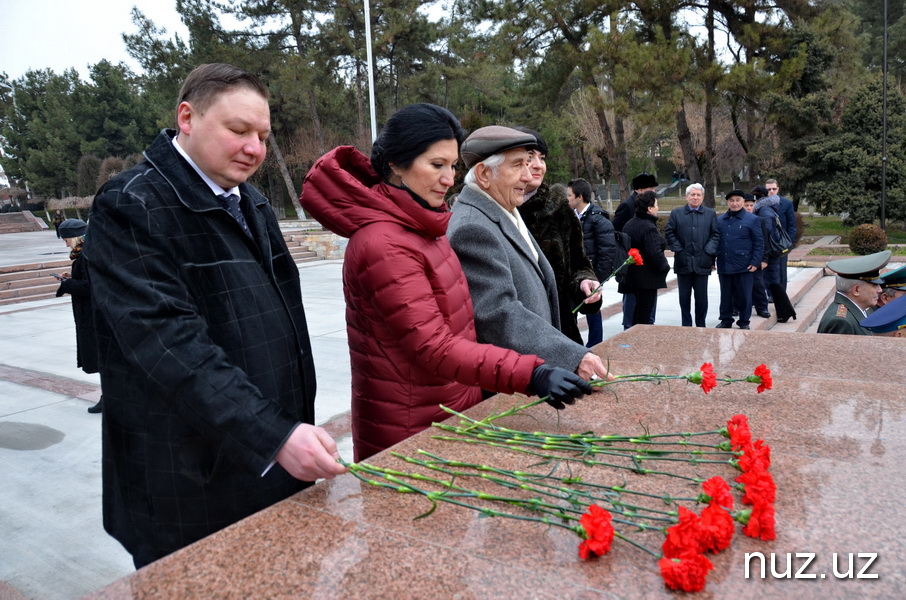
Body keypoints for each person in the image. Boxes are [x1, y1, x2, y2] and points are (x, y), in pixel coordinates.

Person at [84, 63, 347, 569]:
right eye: (238, 130)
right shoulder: (131, 205)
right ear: (187, 117)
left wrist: (281, 432)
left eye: (263, 135)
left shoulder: (252, 202)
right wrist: (272, 434)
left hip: (263, 462)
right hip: (186, 481)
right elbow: (167, 341)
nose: (255, 148)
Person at [299, 104, 593, 461]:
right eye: (436, 165)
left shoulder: (424, 226)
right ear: (396, 164)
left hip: (449, 410)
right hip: (410, 428)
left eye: (452, 166)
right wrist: (532, 372)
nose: (449, 178)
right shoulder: (383, 244)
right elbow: (433, 347)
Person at [448, 126, 613, 382]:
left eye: (532, 162)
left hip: (536, 367)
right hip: (514, 382)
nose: (529, 175)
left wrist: (583, 280)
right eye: (518, 165)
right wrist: (570, 356)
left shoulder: (505, 208)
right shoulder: (473, 227)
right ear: (483, 174)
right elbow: (499, 316)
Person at [513, 127, 600, 345]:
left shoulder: (558, 208)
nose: (537, 165)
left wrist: (585, 281)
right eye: (528, 157)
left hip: (559, 329)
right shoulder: (499, 209)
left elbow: (579, 263)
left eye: (541, 158)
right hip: (513, 333)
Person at [54, 218, 102, 413]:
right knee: (102, 360)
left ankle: (111, 399)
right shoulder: (86, 252)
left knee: (103, 359)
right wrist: (71, 278)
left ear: (75, 237)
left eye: (66, 239)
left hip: (95, 316)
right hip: (91, 315)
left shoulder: (88, 255)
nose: (65, 243)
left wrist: (67, 285)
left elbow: (91, 286)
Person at [568, 177, 617, 346]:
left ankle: (595, 345)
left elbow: (607, 253)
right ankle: (571, 345)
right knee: (569, 313)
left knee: (593, 312)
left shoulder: (599, 219)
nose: (567, 199)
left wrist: (597, 279)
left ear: (579, 197)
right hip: (572, 276)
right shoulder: (568, 217)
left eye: (569, 195)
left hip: (592, 275)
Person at [665, 183, 720, 327]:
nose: (695, 198)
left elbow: (715, 234)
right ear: (686, 196)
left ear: (702, 197)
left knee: (701, 297)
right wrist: (679, 250)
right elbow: (670, 233)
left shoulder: (710, 213)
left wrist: (708, 252)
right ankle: (686, 324)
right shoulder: (676, 213)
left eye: (698, 195)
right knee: (684, 297)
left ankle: (701, 324)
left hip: (702, 261)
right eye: (692, 195)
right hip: (683, 261)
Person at [613, 172, 658, 329]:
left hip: (648, 268)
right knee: (632, 308)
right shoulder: (627, 207)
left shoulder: (650, 206)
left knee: (647, 309)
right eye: (649, 188)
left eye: (653, 187)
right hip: (633, 266)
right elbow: (616, 235)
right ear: (639, 189)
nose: (653, 190)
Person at [619, 191, 670, 326]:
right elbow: (655, 254)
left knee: (635, 313)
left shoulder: (630, 223)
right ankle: (639, 343)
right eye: (656, 205)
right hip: (646, 280)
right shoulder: (648, 228)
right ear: (649, 208)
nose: (658, 208)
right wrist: (665, 266)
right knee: (644, 315)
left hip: (632, 277)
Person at [715, 190, 764, 330]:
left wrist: (755, 262)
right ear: (727, 202)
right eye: (731, 200)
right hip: (724, 263)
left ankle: (744, 321)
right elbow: (716, 241)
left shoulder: (752, 219)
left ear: (743, 201)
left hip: (744, 265)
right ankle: (725, 319)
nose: (734, 203)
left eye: (737, 200)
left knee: (744, 295)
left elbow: (759, 242)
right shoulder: (720, 220)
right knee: (725, 295)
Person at [817, 251, 891, 335]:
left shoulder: (860, 309)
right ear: (856, 290)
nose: (880, 290)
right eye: (874, 285)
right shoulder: (841, 322)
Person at [749, 185, 781, 319]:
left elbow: (765, 234)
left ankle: (780, 308)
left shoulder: (764, 212)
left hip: (768, 252)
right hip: (769, 250)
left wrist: (764, 257)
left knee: (767, 281)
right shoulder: (767, 208)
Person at [764, 179, 797, 290]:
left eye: (774, 189)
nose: (771, 191)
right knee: (766, 269)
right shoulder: (761, 204)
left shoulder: (786, 204)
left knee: (781, 270)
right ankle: (769, 294)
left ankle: (781, 295)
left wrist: (789, 243)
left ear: (778, 189)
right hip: (766, 243)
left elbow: (792, 225)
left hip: (780, 244)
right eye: (769, 189)